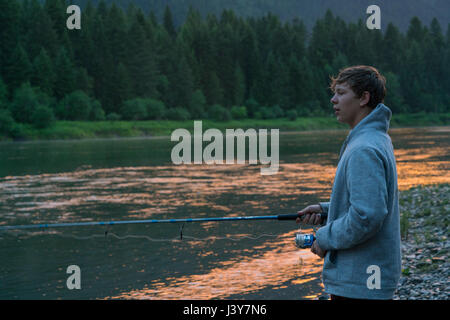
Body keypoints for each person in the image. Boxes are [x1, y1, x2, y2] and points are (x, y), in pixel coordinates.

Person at [297, 65, 401, 300]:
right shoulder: (375, 138)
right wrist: (328, 210)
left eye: (341, 93)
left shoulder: (363, 148)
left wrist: (323, 238)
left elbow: (367, 216)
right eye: (335, 93)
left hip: (360, 282)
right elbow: (371, 202)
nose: (334, 100)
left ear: (364, 98)